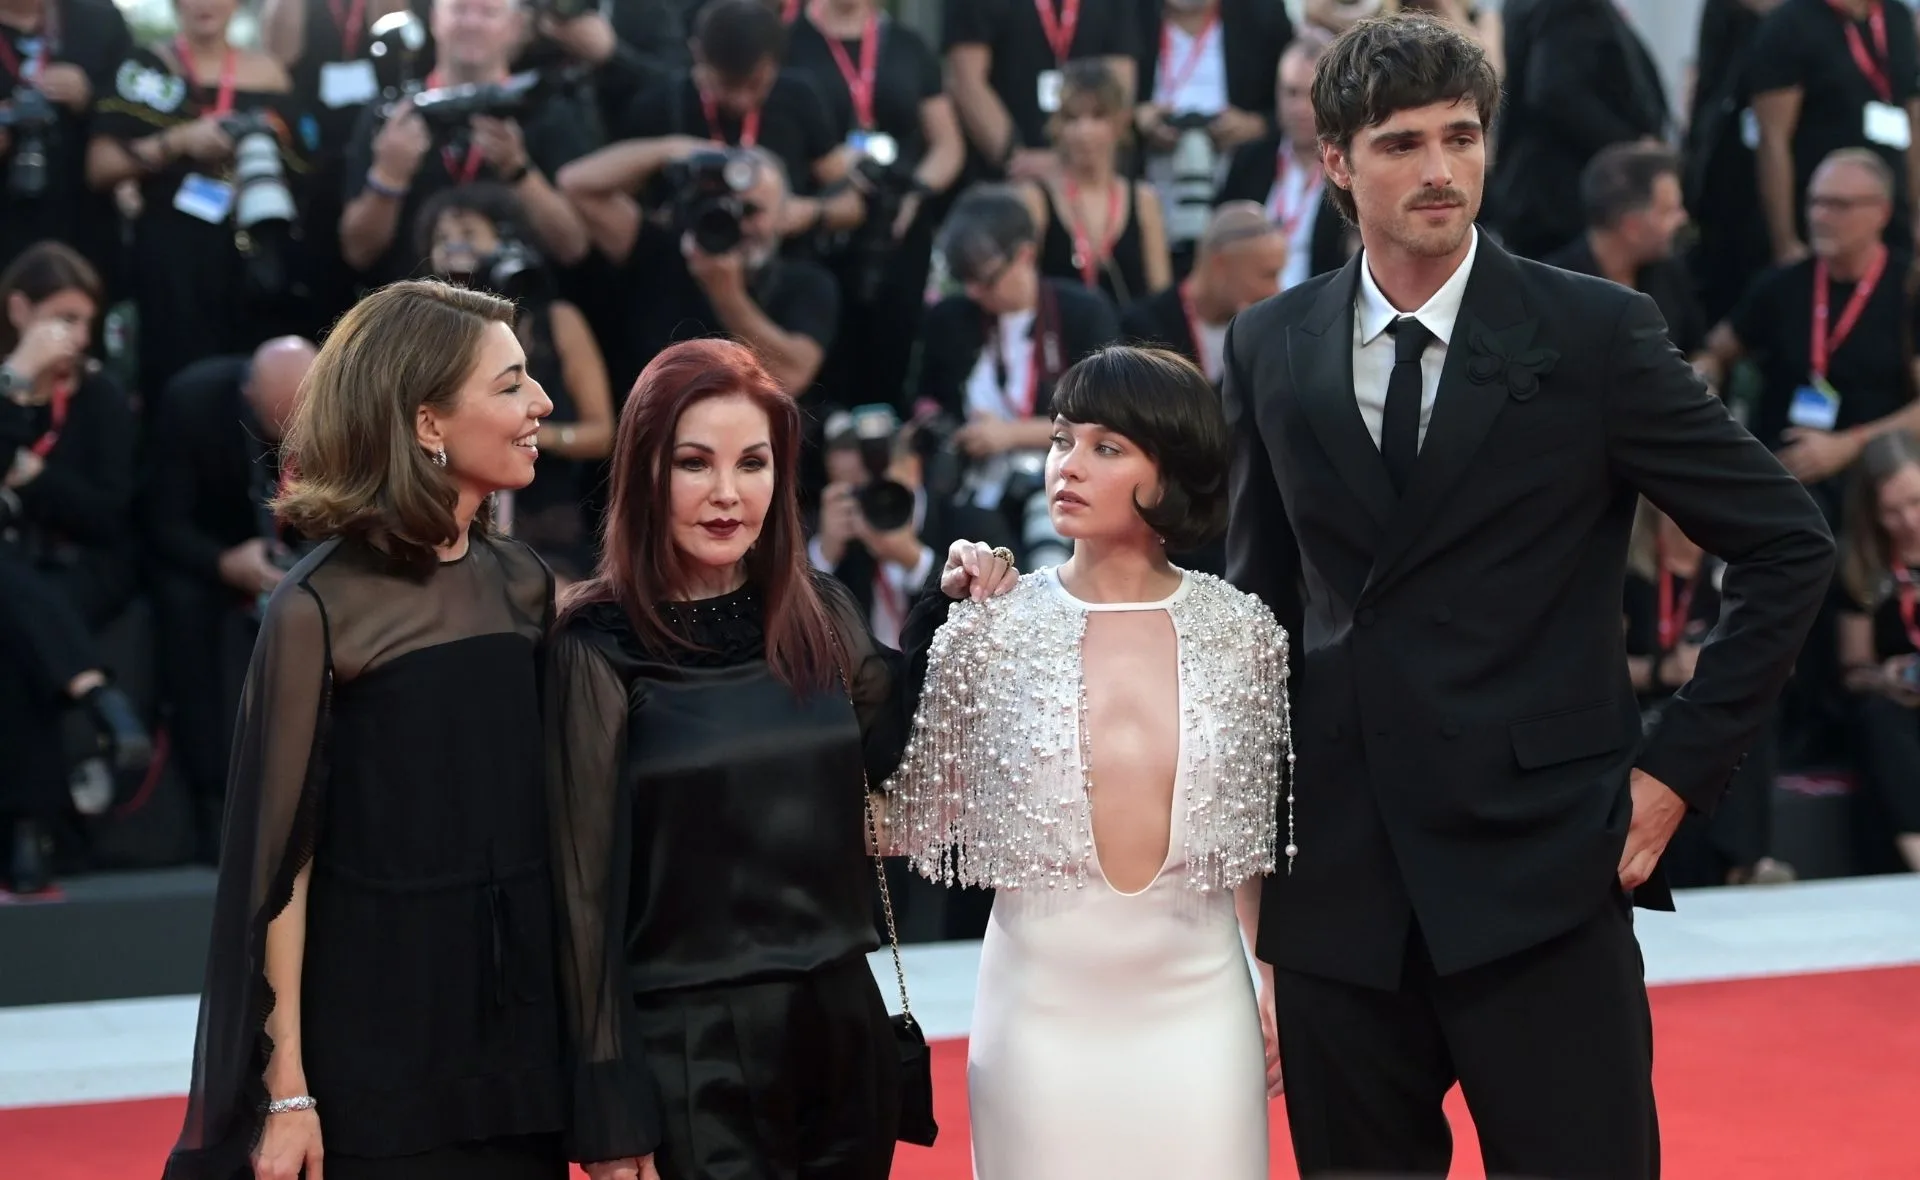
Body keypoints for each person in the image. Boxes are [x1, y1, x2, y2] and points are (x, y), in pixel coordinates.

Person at [1222, 15, 1834, 1179]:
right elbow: (1258, 617)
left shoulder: (1595, 331)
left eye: (1461, 136)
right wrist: (1246, 888)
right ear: (1336, 162)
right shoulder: (1269, 344)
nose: (1440, 169)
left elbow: (1787, 544)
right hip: (1340, 887)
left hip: (1543, 869)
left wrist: (1676, 773)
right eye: (1402, 143)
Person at [542, 337, 1013, 1180]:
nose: (728, 493)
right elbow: (582, 898)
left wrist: (949, 609)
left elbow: (893, 746)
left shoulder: (815, 613)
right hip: (687, 1049)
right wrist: (608, 1106)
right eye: (695, 463)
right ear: (646, 472)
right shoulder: (597, 644)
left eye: (752, 463)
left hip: (842, 1028)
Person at [163, 280, 570, 1180]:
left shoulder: (523, 584)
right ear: (427, 422)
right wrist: (288, 1090)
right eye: (510, 384)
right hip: (374, 1042)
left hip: (515, 1037)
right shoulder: (318, 607)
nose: (542, 403)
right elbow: (280, 869)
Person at [885, 344, 1290, 1180]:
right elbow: (911, 816)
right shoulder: (992, 625)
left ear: (1171, 469)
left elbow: (1246, 836)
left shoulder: (1243, 632)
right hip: (1037, 1017)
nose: (1066, 466)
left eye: (1106, 447)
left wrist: (1269, 978)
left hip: (1201, 1009)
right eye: (1061, 439)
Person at [0, 241, 147, 896]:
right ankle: (94, 696)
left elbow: (107, 515)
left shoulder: (100, 397)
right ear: (19, 311)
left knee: (18, 618)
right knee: (13, 616)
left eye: (87, 321)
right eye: (63, 319)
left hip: (82, 566)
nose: (79, 338)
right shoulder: (5, 385)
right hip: (15, 570)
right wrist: (15, 382)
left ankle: (26, 832)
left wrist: (33, 478)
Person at [144, 335, 317, 862]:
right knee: (182, 606)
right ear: (249, 394)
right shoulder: (193, 404)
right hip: (213, 552)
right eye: (278, 419)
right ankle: (210, 800)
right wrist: (225, 563)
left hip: (308, 552)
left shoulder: (345, 407)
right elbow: (162, 522)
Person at [419, 182, 613, 582]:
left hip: (547, 522)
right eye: (442, 238)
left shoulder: (558, 322)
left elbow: (602, 433)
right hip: (451, 518)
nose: (454, 246)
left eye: (469, 233)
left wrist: (529, 433)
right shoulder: (430, 336)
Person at [1836, 430, 1920, 873]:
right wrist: (1886, 677)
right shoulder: (1862, 564)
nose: (1908, 521)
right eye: (1892, 511)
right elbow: (1853, 670)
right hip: (1898, 701)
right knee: (1879, 717)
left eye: (1916, 503)